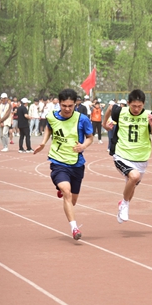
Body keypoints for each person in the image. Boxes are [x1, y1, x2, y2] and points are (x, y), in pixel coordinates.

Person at [33, 89, 94, 240]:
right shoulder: (52, 116)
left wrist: (83, 146)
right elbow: (49, 127)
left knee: (72, 200)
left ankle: (62, 189)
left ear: (75, 104)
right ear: (59, 104)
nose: (67, 109)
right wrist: (43, 143)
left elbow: (90, 137)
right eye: (64, 105)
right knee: (67, 192)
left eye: (70, 106)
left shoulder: (82, 119)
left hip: (76, 163)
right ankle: (74, 228)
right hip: (58, 161)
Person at [103, 89, 152, 224]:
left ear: (144, 104)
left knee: (132, 185)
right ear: (128, 103)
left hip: (141, 158)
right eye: (133, 106)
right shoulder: (120, 112)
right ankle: (124, 204)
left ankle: (124, 203)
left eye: (139, 106)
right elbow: (110, 107)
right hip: (121, 155)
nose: (136, 109)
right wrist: (104, 123)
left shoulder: (149, 116)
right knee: (134, 177)